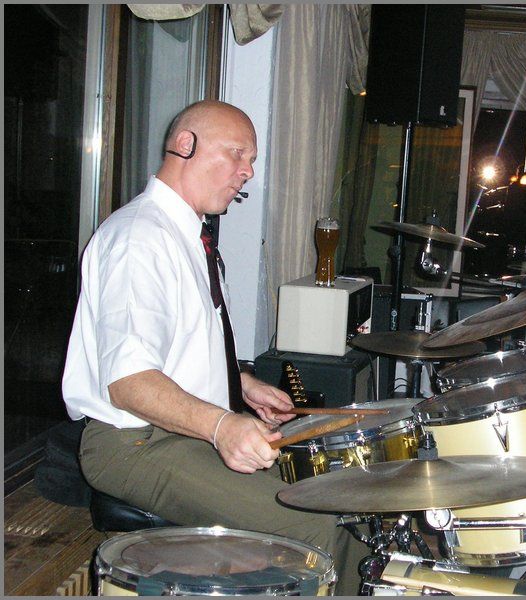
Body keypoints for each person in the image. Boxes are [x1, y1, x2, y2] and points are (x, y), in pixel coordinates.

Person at [62, 100, 363, 594]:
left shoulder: (187, 234)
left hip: (173, 433)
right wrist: (222, 426)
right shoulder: (140, 238)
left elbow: (172, 347)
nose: (248, 172)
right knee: (318, 523)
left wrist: (238, 384)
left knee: (332, 490)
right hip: (133, 444)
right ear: (185, 145)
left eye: (252, 160)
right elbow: (129, 383)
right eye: (237, 153)